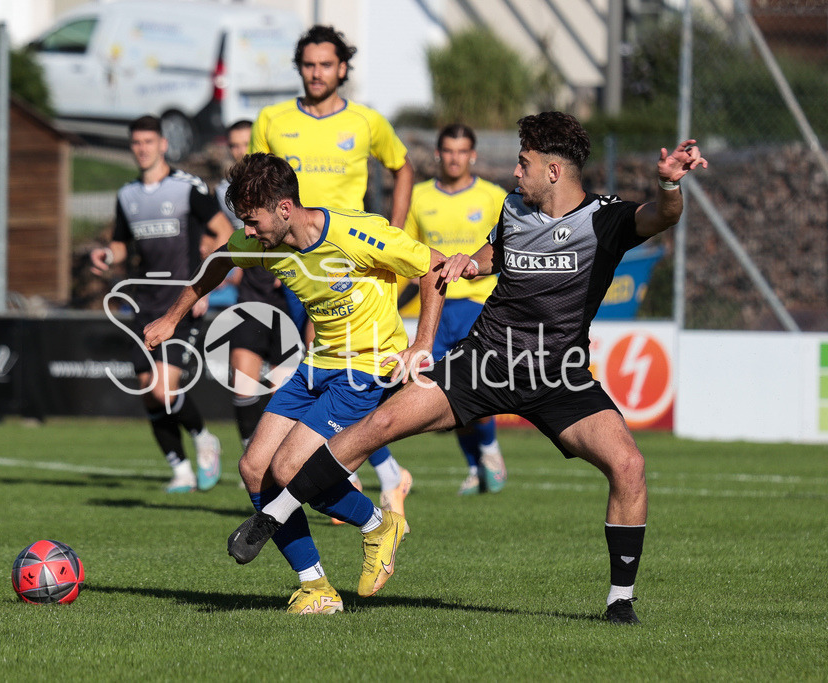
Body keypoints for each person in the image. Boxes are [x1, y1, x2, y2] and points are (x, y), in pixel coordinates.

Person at [228, 112, 708, 625]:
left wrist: (667, 185)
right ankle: (280, 515)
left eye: (523, 163)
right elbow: (498, 251)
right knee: (379, 424)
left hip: (557, 374)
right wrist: (471, 263)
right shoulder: (514, 208)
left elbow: (661, 216)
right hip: (484, 361)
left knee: (629, 466)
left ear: (553, 171)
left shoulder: (605, 219)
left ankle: (619, 602)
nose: (515, 172)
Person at [143, 153, 448, 612]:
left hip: (365, 368)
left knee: (288, 469)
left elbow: (434, 267)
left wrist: (421, 342)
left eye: (252, 220)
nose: (247, 231)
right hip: (316, 365)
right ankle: (316, 588)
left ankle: (378, 524)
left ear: (285, 209)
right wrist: (171, 318)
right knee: (253, 467)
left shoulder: (355, 232)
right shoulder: (261, 242)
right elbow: (215, 265)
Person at [249, 24, 415, 517]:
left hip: (350, 268)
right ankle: (381, 476)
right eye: (308, 64)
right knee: (321, 377)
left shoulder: (365, 121)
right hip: (293, 264)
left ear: (342, 68)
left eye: (326, 64)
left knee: (333, 371)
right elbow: (254, 182)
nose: (316, 73)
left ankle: (360, 484)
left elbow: (401, 166)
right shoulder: (273, 119)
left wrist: (395, 235)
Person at [90, 115, 234, 494]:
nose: (142, 148)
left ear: (163, 144)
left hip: (181, 302)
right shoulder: (127, 195)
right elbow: (121, 245)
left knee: (163, 390)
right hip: (142, 303)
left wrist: (203, 289)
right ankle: (180, 468)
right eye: (136, 142)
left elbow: (224, 234)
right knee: (146, 388)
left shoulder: (187, 188)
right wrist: (107, 253)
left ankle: (204, 438)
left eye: (149, 141)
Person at [403, 124, 508, 495]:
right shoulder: (417, 197)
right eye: (448, 150)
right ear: (438, 153)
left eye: (462, 151)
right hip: (435, 308)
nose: (454, 158)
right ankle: (474, 466)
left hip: (480, 304)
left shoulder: (494, 197)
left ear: (473, 156)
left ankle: (491, 452)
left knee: (478, 384)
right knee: (448, 394)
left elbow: (507, 250)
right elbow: (407, 255)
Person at [214, 120, 295, 451]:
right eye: (233, 145)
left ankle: (277, 460)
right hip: (251, 296)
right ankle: (253, 458)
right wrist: (223, 264)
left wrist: (288, 267)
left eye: (245, 143)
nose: (239, 151)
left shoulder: (281, 190)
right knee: (243, 385)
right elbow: (215, 235)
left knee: (283, 391)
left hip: (287, 298)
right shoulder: (223, 193)